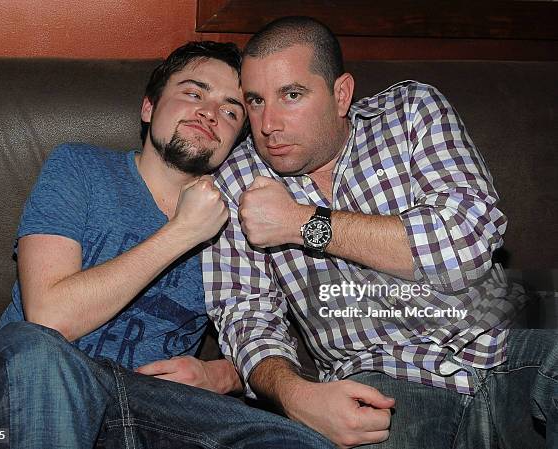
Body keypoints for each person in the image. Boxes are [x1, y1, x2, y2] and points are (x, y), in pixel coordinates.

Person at [0, 41, 334, 449]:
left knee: (294, 440)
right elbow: (50, 317)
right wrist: (183, 231)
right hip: (5, 406)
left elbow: (276, 336)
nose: (209, 112)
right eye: (193, 92)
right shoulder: (80, 167)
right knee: (39, 354)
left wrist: (222, 375)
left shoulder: (247, 219)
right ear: (149, 108)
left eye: (231, 110)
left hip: (148, 410)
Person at [204, 16, 557, 449]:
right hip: (385, 381)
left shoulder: (410, 112)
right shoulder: (237, 180)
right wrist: (297, 396)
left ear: (340, 95)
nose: (268, 123)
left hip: (501, 343)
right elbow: (245, 315)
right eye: (255, 101)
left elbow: (468, 240)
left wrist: (301, 222)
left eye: (291, 95)